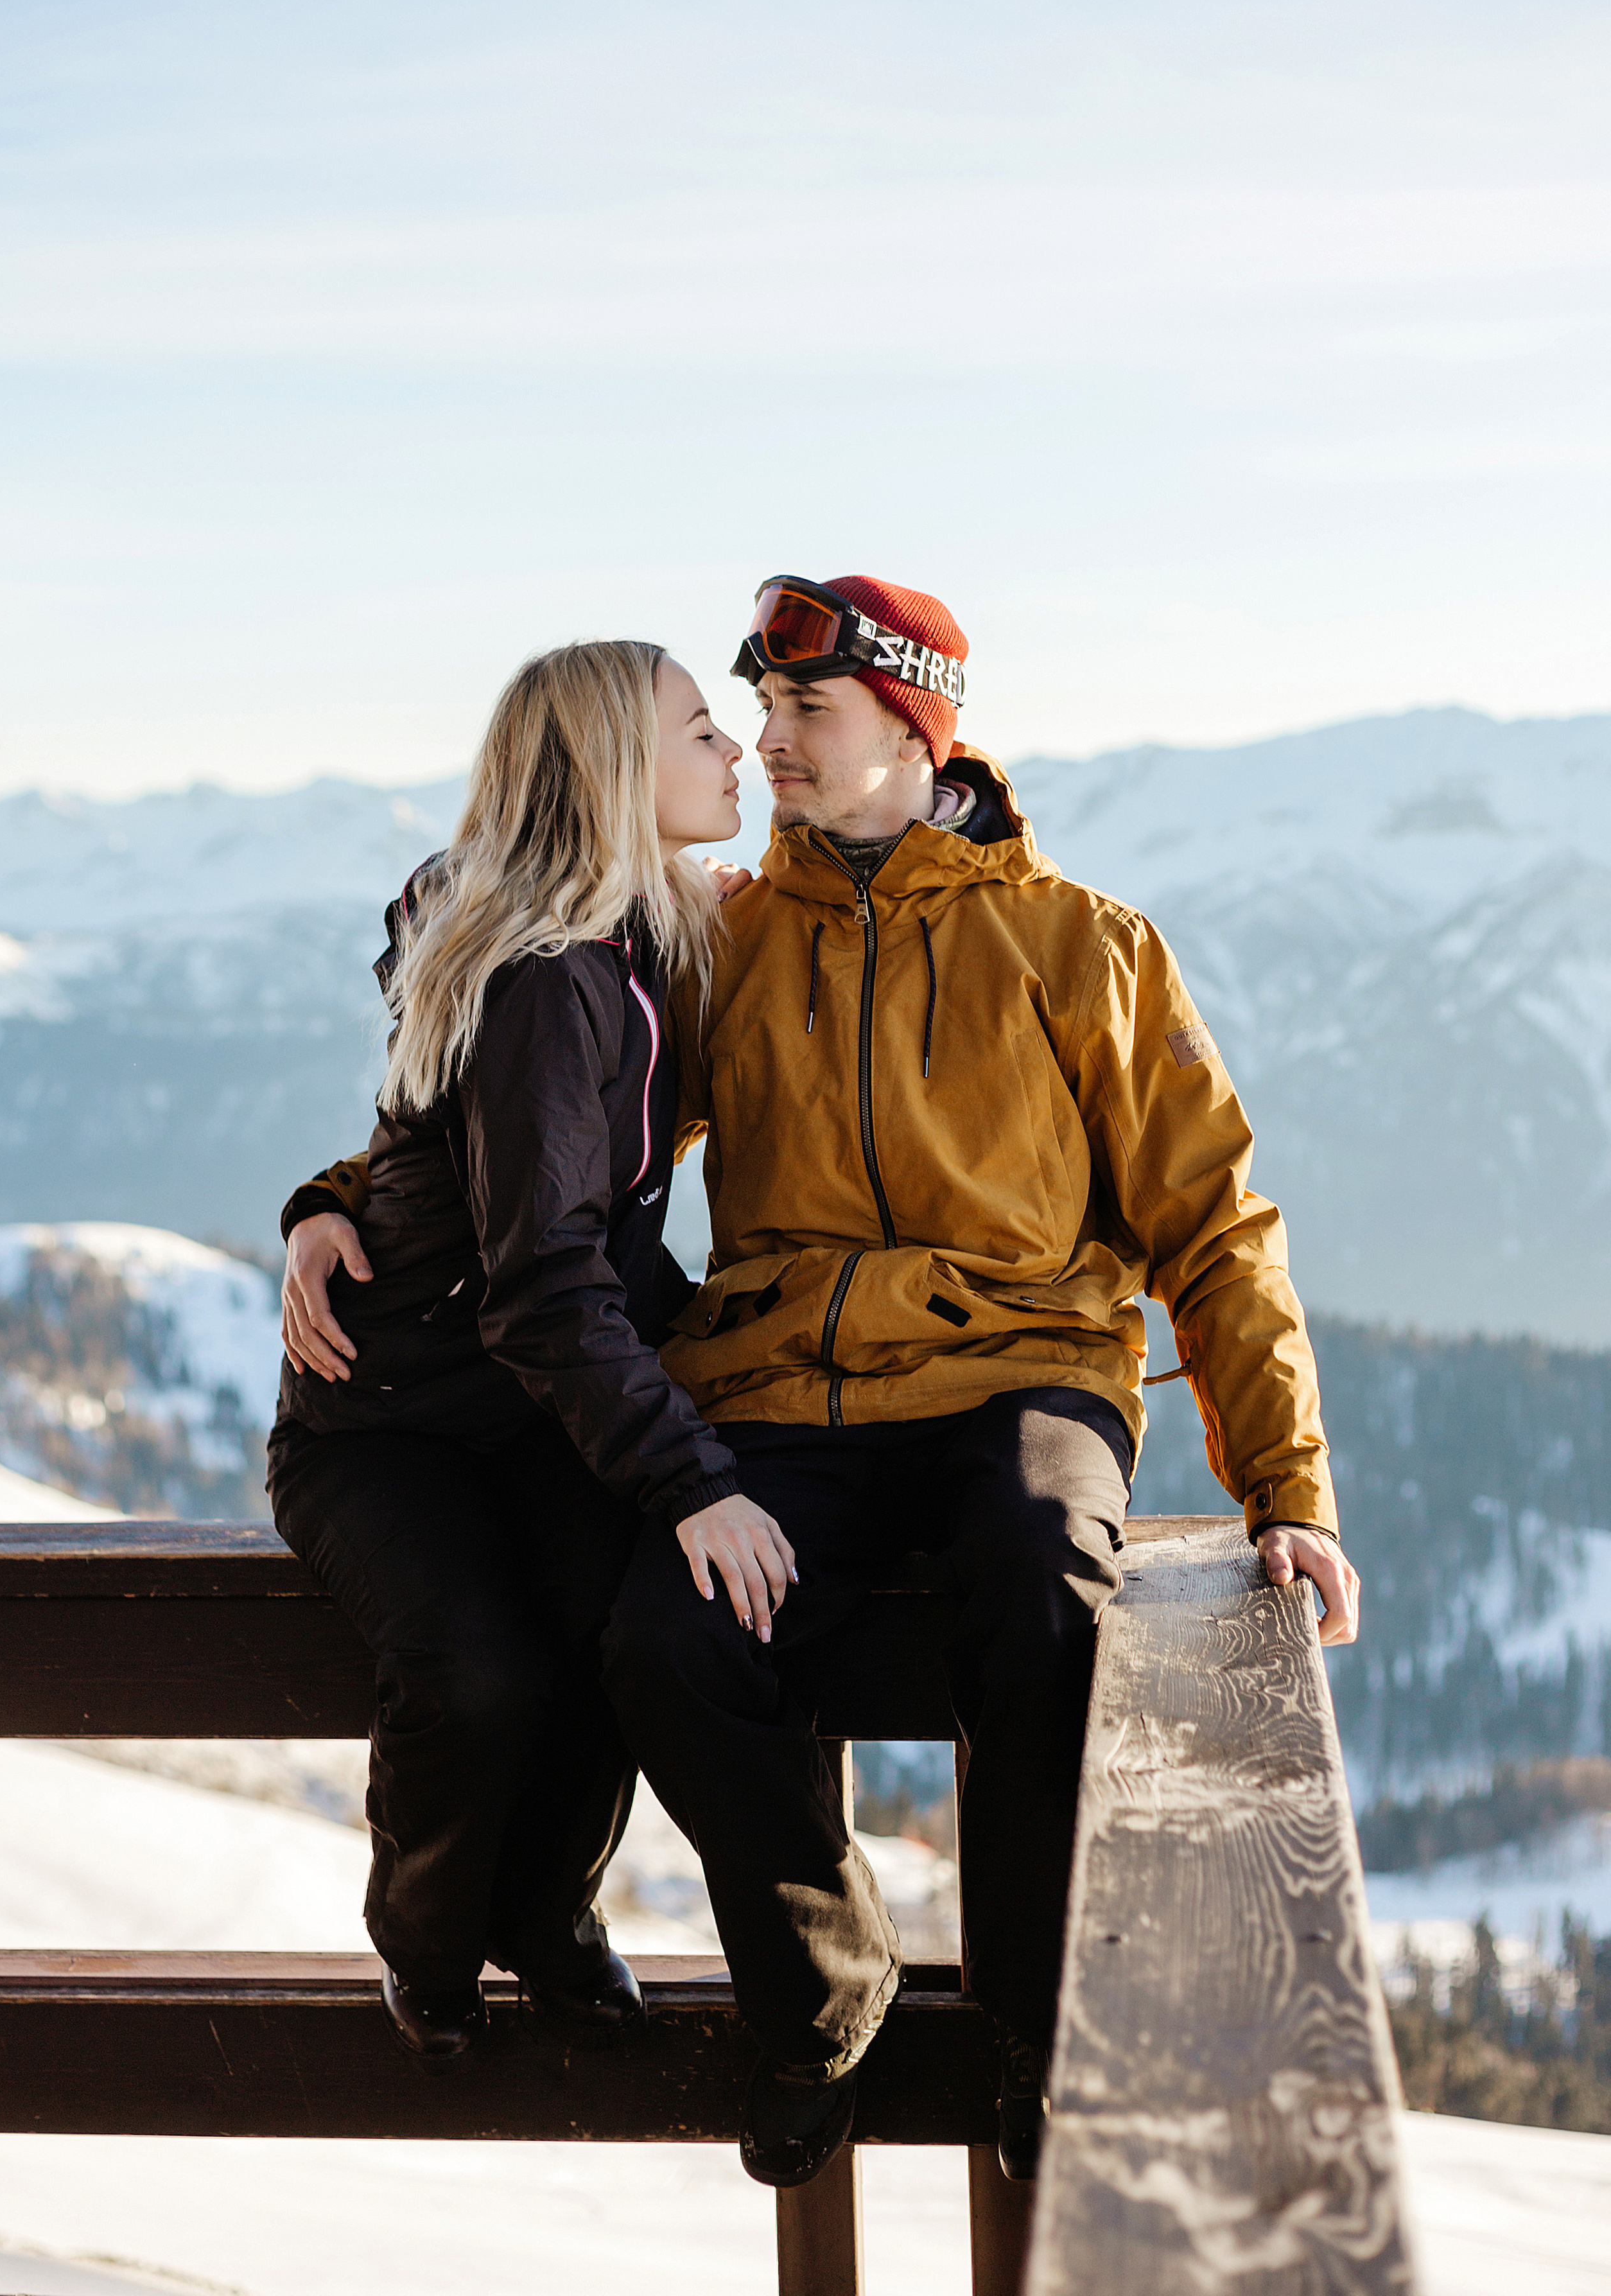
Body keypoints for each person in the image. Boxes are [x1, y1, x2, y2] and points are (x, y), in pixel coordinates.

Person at [288, 574, 1359, 2190]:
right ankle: (819, 2002)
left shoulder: (1078, 947)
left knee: (1040, 1589)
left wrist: (1287, 1492)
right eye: (758, 710)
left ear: (916, 729)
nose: (770, 739)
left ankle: (1039, 2030)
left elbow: (1213, 1228)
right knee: (665, 1637)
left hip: (1020, 1376)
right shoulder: (722, 938)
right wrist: (330, 1204)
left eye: (807, 709)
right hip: (786, 1383)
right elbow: (517, 1122)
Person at [268, 636, 803, 2085]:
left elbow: (437, 1147)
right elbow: (543, 1276)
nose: (734, 753)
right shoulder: (548, 977)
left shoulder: (630, 932)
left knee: (626, 1632)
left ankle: (544, 1915)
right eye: (703, 731)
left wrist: (324, 1199)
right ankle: (429, 1938)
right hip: (388, 1420)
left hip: (531, 1403)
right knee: (481, 1675)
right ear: (618, 771)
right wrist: (693, 1479)